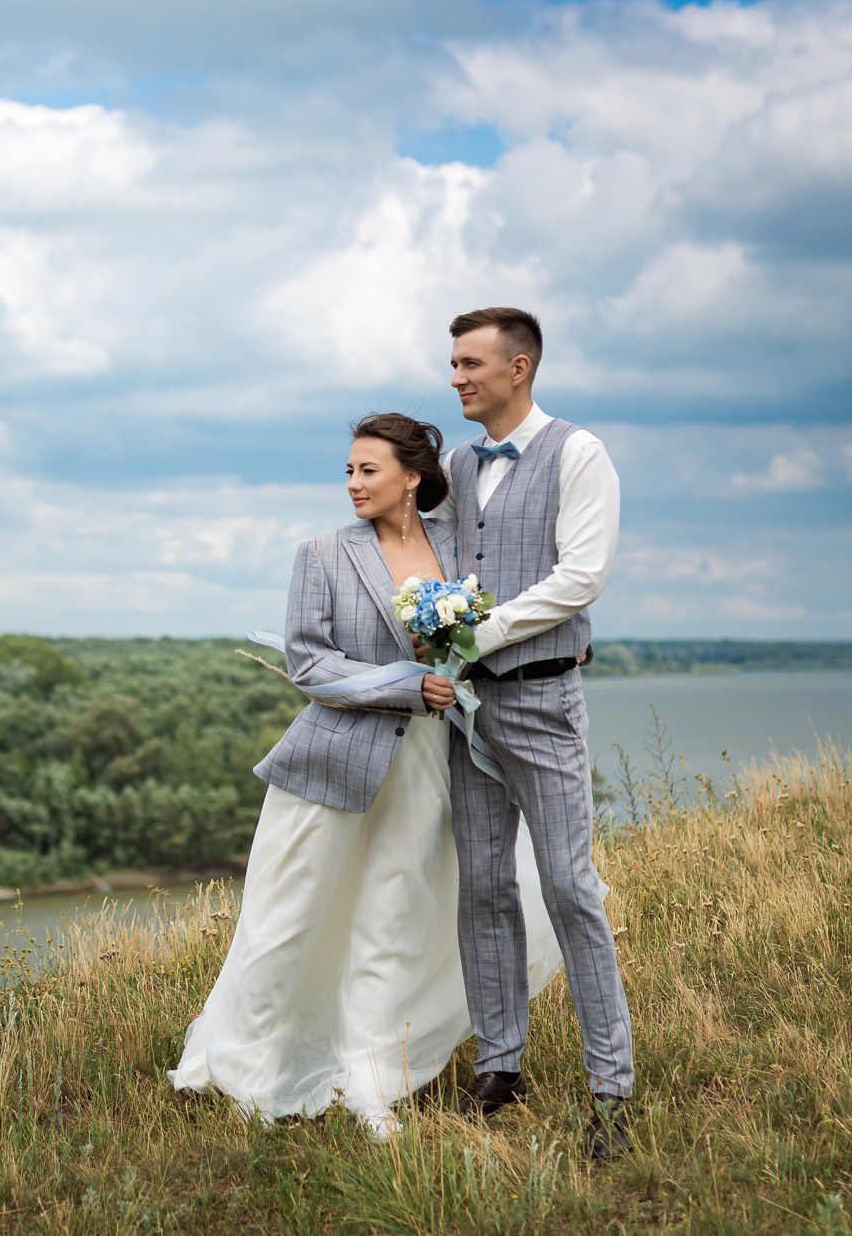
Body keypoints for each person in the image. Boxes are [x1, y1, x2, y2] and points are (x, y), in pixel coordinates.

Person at [168, 412, 561, 1142]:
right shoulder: (320, 553)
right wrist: (407, 682)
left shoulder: (458, 547)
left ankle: (369, 1082)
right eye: (348, 470)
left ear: (412, 477)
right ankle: (246, 1074)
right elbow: (311, 665)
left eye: (367, 470)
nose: (352, 483)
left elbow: (488, 636)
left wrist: (456, 666)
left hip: (426, 765)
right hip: (332, 762)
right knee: (284, 919)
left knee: (392, 920)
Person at [442, 307, 635, 1160]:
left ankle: (611, 1087)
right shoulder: (456, 461)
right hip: (466, 709)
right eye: (452, 363)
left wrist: (477, 634)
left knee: (567, 886)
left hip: (543, 701)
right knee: (483, 885)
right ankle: (501, 1060)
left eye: (471, 363)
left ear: (519, 367)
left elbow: (581, 575)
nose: (457, 378)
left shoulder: (579, 453)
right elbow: (445, 567)